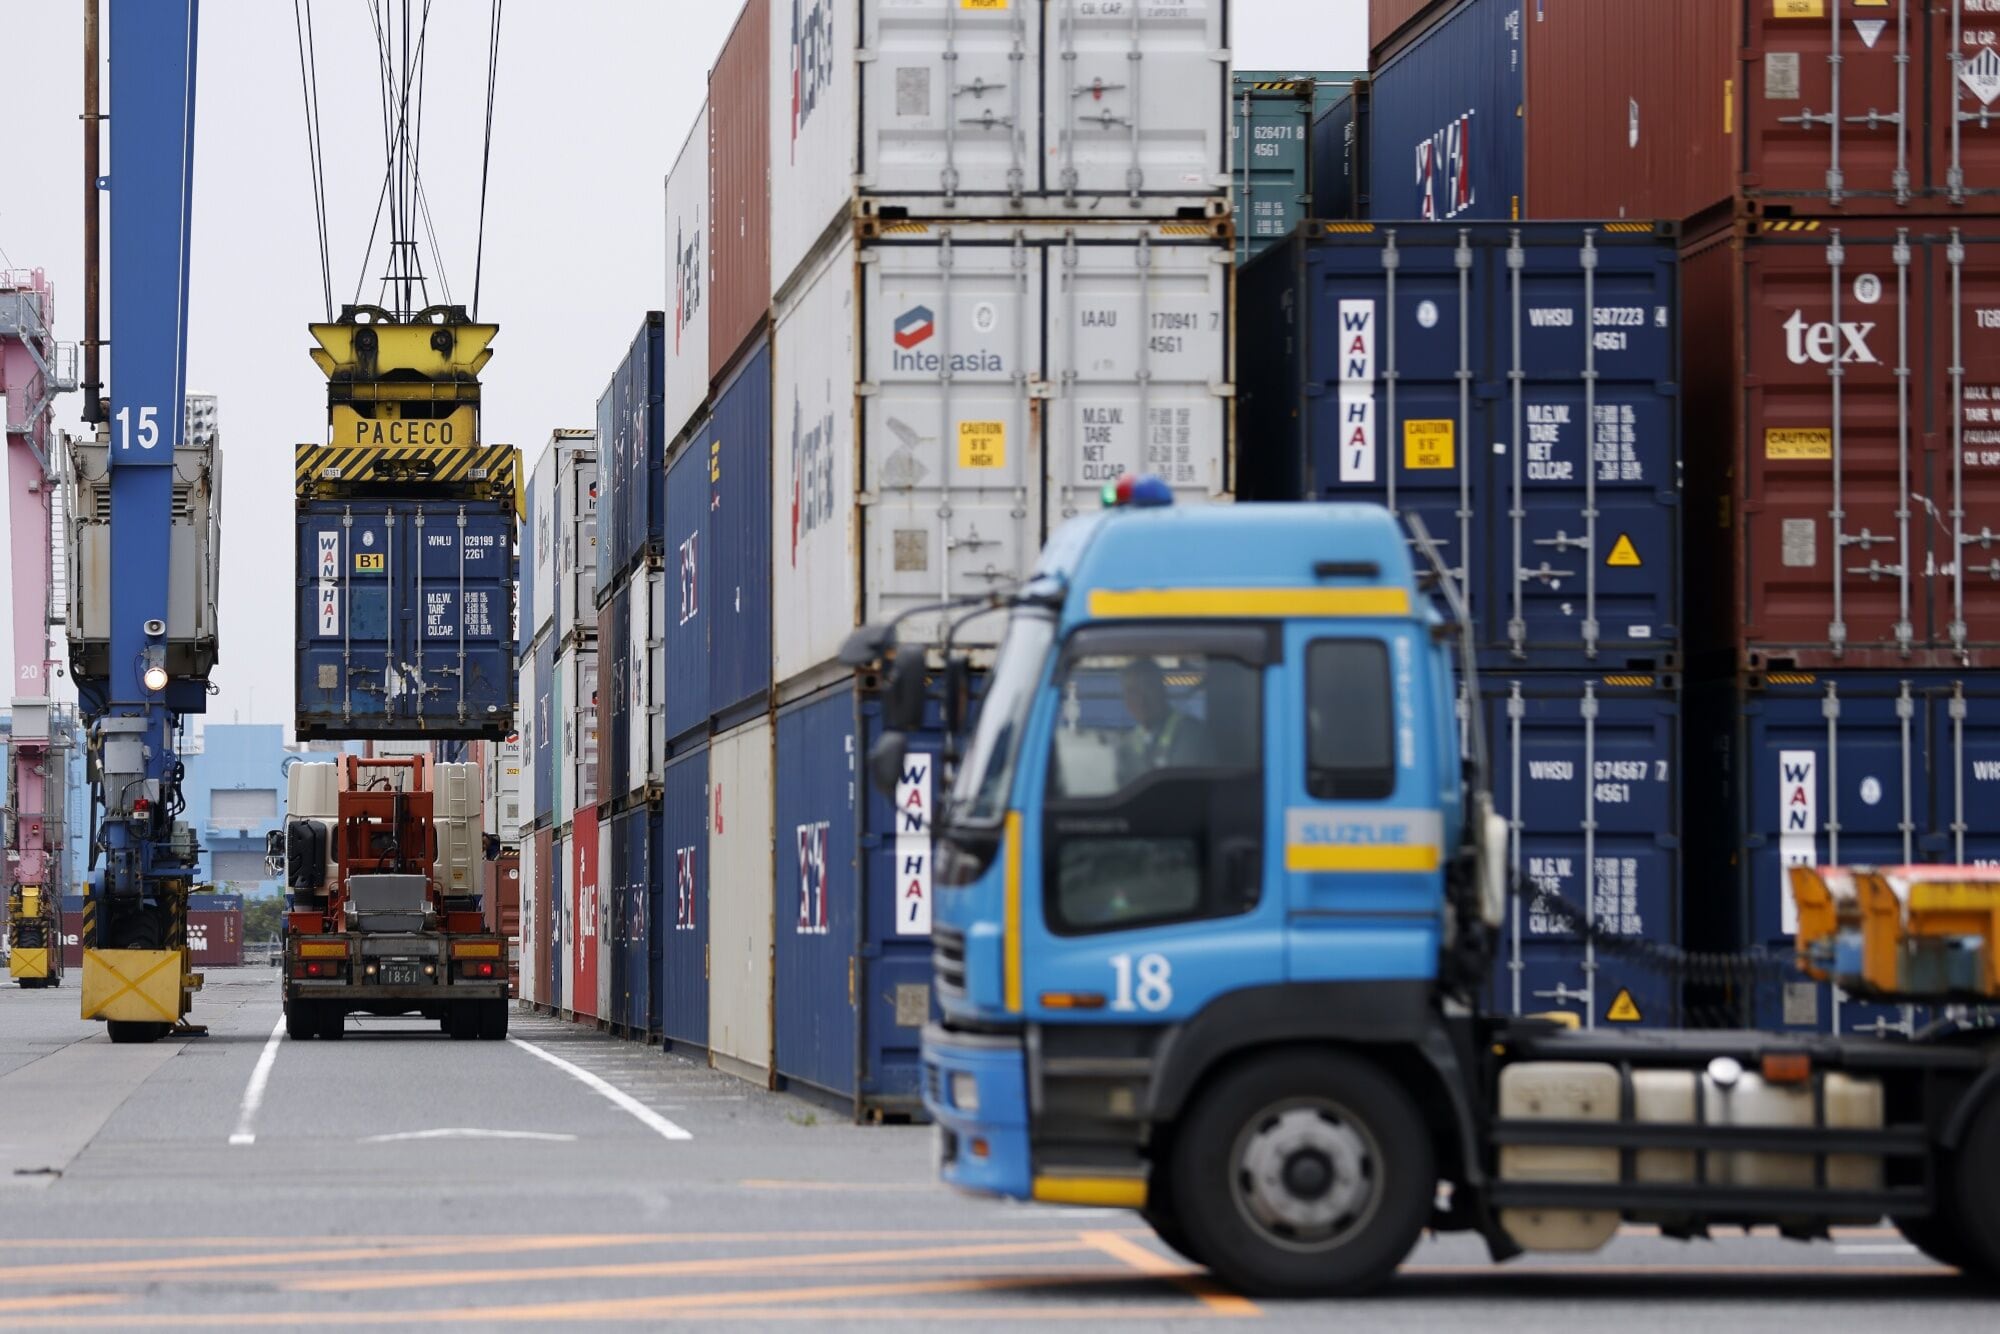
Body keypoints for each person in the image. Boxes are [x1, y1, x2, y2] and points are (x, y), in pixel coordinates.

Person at [1115, 657, 1210, 786]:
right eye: (1132, 691)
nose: (1141, 700)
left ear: (1162, 690)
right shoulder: (1128, 743)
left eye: (1147, 688)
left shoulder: (1190, 734)